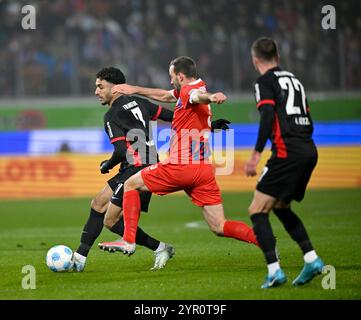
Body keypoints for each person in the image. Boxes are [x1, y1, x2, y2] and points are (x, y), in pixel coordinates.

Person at [72, 66, 231, 272]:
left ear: (116, 88)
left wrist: (106, 165)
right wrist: (210, 125)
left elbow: (120, 151)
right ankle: (80, 256)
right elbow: (176, 118)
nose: (97, 92)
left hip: (135, 168)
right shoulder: (140, 103)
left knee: (110, 221)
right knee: (98, 204)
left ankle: (159, 247)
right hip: (144, 162)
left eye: (100, 87)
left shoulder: (112, 115)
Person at [99, 56, 259, 256]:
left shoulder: (190, 91)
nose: (170, 80)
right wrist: (134, 89)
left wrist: (212, 96)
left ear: (181, 76)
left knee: (131, 184)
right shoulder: (193, 86)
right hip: (202, 170)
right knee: (219, 225)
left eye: (171, 76)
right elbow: (167, 96)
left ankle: (129, 240)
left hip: (180, 166)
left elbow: (197, 96)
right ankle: (264, 242)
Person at [244, 37, 325, 288]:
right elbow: (307, 116)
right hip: (308, 150)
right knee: (280, 206)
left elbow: (267, 115)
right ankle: (311, 259)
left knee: (257, 211)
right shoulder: (295, 80)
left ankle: (274, 271)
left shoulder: (264, 81)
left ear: (255, 60)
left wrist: (256, 153)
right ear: (277, 57)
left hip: (286, 152)